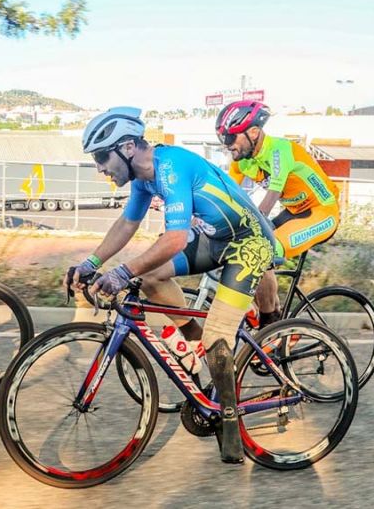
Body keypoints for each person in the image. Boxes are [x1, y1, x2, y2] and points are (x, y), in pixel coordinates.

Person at [65, 107, 275, 464]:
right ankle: (196, 347)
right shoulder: (144, 179)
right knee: (151, 277)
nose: (99, 167)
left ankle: (230, 424)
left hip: (248, 243)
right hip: (215, 238)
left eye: (102, 157)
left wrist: (121, 273)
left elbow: (176, 238)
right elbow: (126, 224)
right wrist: (92, 263)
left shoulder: (170, 166)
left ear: (128, 147)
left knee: (218, 335)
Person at [217, 101, 340, 328]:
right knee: (243, 251)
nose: (227, 146)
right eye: (222, 139)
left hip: (322, 213)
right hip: (293, 212)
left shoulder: (279, 151)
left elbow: (270, 198)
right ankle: (278, 320)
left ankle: (270, 326)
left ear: (253, 132)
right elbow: (223, 195)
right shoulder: (242, 161)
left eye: (230, 138)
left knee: (261, 251)